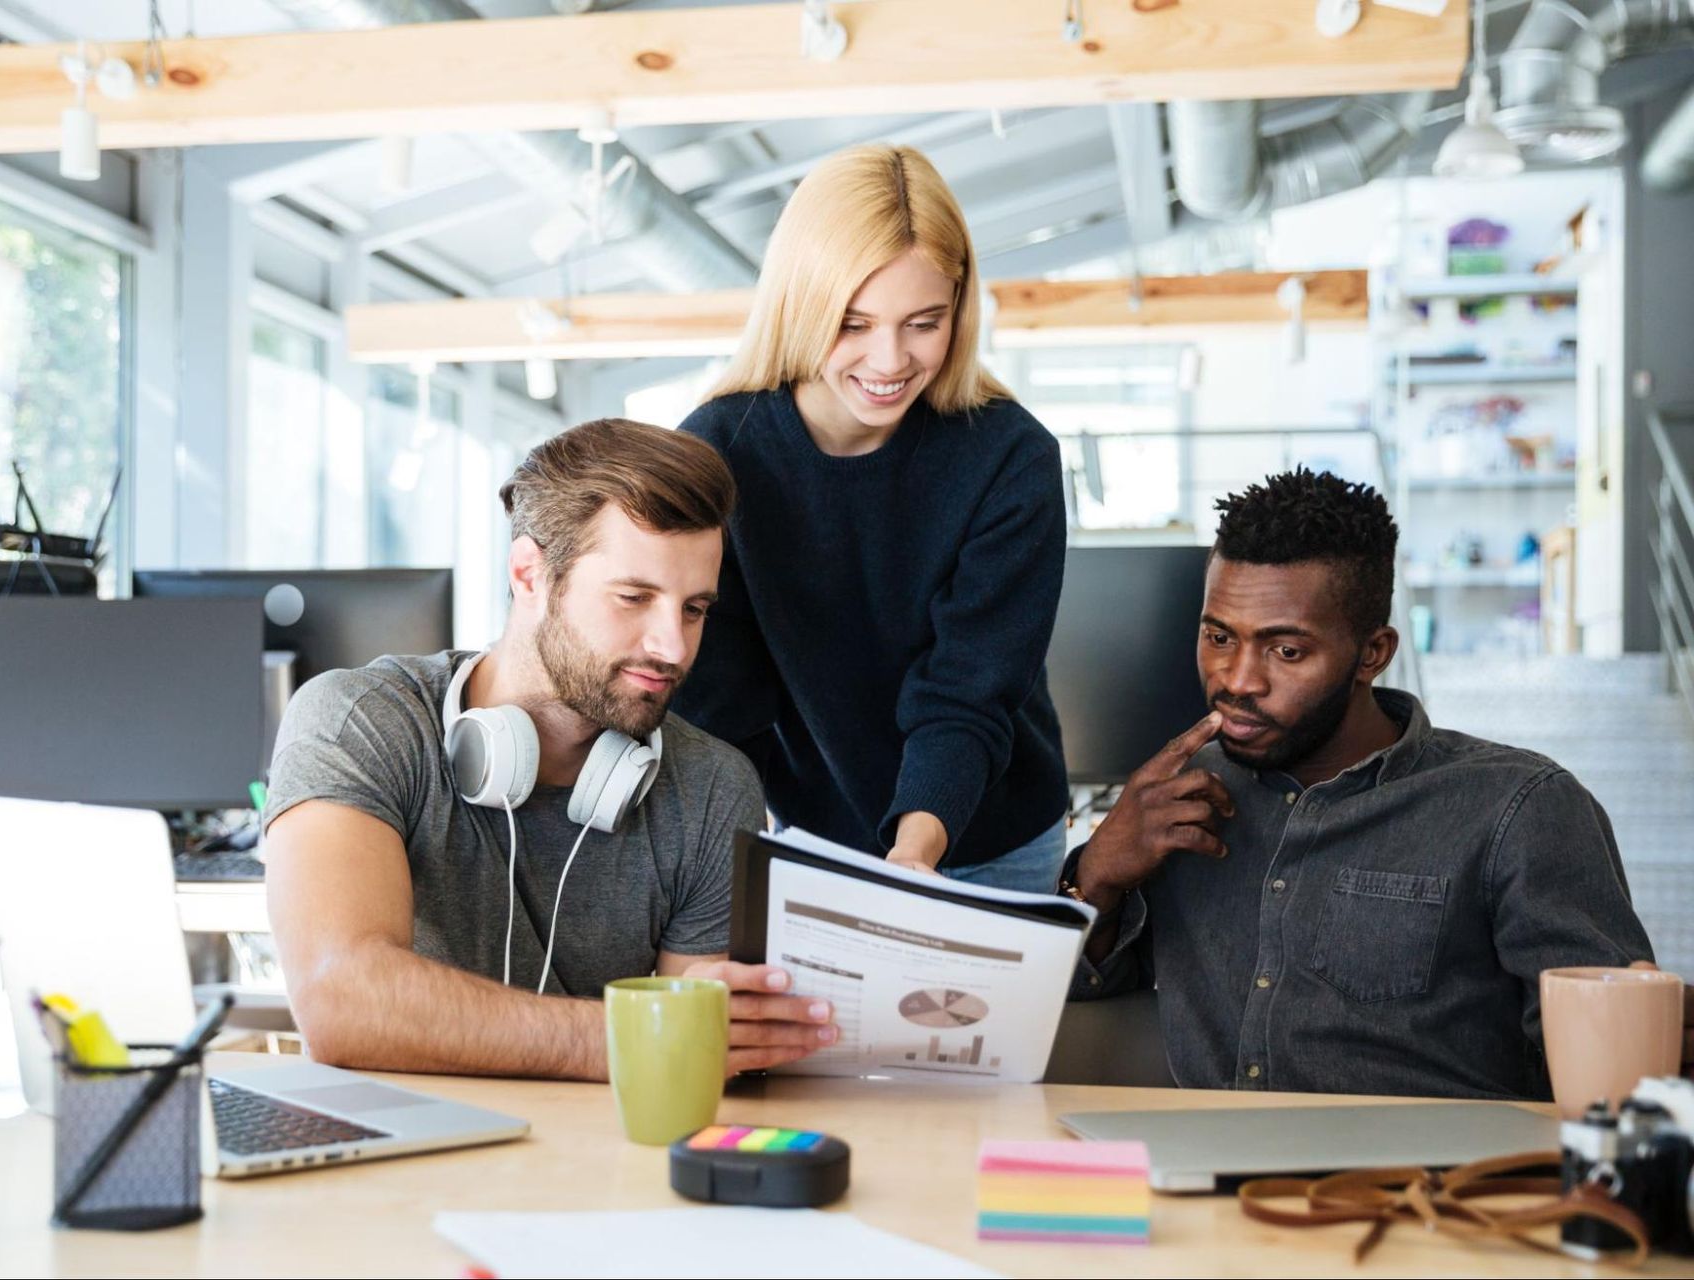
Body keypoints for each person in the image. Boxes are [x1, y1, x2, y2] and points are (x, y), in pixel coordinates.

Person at [261, 419, 835, 1080]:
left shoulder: (712, 787)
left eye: (694, 609)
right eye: (634, 598)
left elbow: (697, 1059)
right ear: (529, 573)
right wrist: (627, 1037)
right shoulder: (360, 720)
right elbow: (340, 1001)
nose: (673, 648)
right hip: (396, 1164)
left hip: (598, 1167)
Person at [1066, 468, 1663, 1099]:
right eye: (1219, 637)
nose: (1238, 679)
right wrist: (1098, 873)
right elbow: (1074, 999)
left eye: (1285, 651)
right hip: (1199, 1178)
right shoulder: (1175, 798)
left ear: (1373, 653)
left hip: (1426, 1186)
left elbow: (1617, 1073)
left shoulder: (1517, 809)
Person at [673, 144, 1068, 891]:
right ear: (800, 306)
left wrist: (914, 860)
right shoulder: (718, 455)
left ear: (959, 306)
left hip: (994, 839)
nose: (888, 361)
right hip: (810, 841)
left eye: (924, 322)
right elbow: (719, 708)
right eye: (852, 324)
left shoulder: (1010, 457)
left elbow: (967, 693)